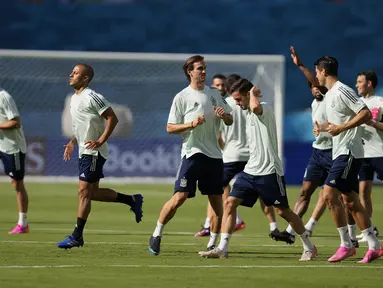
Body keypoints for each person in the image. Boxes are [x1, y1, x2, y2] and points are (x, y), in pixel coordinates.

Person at [199, 78, 317, 261]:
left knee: (283, 211)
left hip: (269, 170)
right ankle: (222, 248)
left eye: (239, 99)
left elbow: (255, 107)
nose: (237, 104)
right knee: (229, 203)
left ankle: (309, 247)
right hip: (251, 169)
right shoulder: (246, 110)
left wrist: (253, 94)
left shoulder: (264, 108)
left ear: (248, 95)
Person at [148, 55, 233, 255]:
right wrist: (190, 124)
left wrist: (224, 116)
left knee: (216, 201)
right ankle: (157, 233)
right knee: (180, 196)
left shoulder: (214, 94)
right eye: (199, 69)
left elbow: (229, 120)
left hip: (214, 155)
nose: (203, 72)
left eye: (204, 68)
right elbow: (169, 128)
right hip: (192, 153)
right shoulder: (182, 97)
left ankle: (212, 242)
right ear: (189, 72)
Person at [57, 64, 143, 249]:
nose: (71, 74)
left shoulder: (92, 97)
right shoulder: (74, 98)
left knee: (83, 193)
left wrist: (101, 140)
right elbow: (81, 125)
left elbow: (113, 118)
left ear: (86, 78)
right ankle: (132, 200)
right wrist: (73, 142)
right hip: (84, 150)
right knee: (92, 193)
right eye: (71, 72)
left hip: (93, 152)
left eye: (75, 73)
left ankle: (76, 236)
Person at [313, 56, 382, 263]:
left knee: (328, 194)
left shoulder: (343, 90)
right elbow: (338, 122)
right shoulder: (331, 95)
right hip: (341, 151)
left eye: (317, 71)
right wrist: (324, 128)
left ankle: (346, 244)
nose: (316, 75)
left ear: (324, 71)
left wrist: (342, 128)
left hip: (349, 151)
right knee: (351, 201)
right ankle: (374, 246)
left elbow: (364, 113)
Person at [196, 74, 279, 241]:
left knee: (216, 192)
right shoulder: (249, 104)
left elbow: (220, 134)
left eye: (221, 85)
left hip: (231, 155)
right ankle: (273, 226)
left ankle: (210, 228)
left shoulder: (226, 104)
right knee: (263, 194)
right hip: (253, 156)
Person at [355, 71, 383, 242]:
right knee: (363, 192)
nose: (357, 85)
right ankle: (369, 230)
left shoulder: (380, 102)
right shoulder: (356, 104)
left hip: (380, 152)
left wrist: (373, 123)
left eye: (360, 82)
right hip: (363, 154)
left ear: (369, 83)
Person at [0, 87, 29, 234]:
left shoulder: (4, 97)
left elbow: (15, 122)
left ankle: (23, 224)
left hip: (13, 148)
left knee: (17, 183)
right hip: (1, 145)